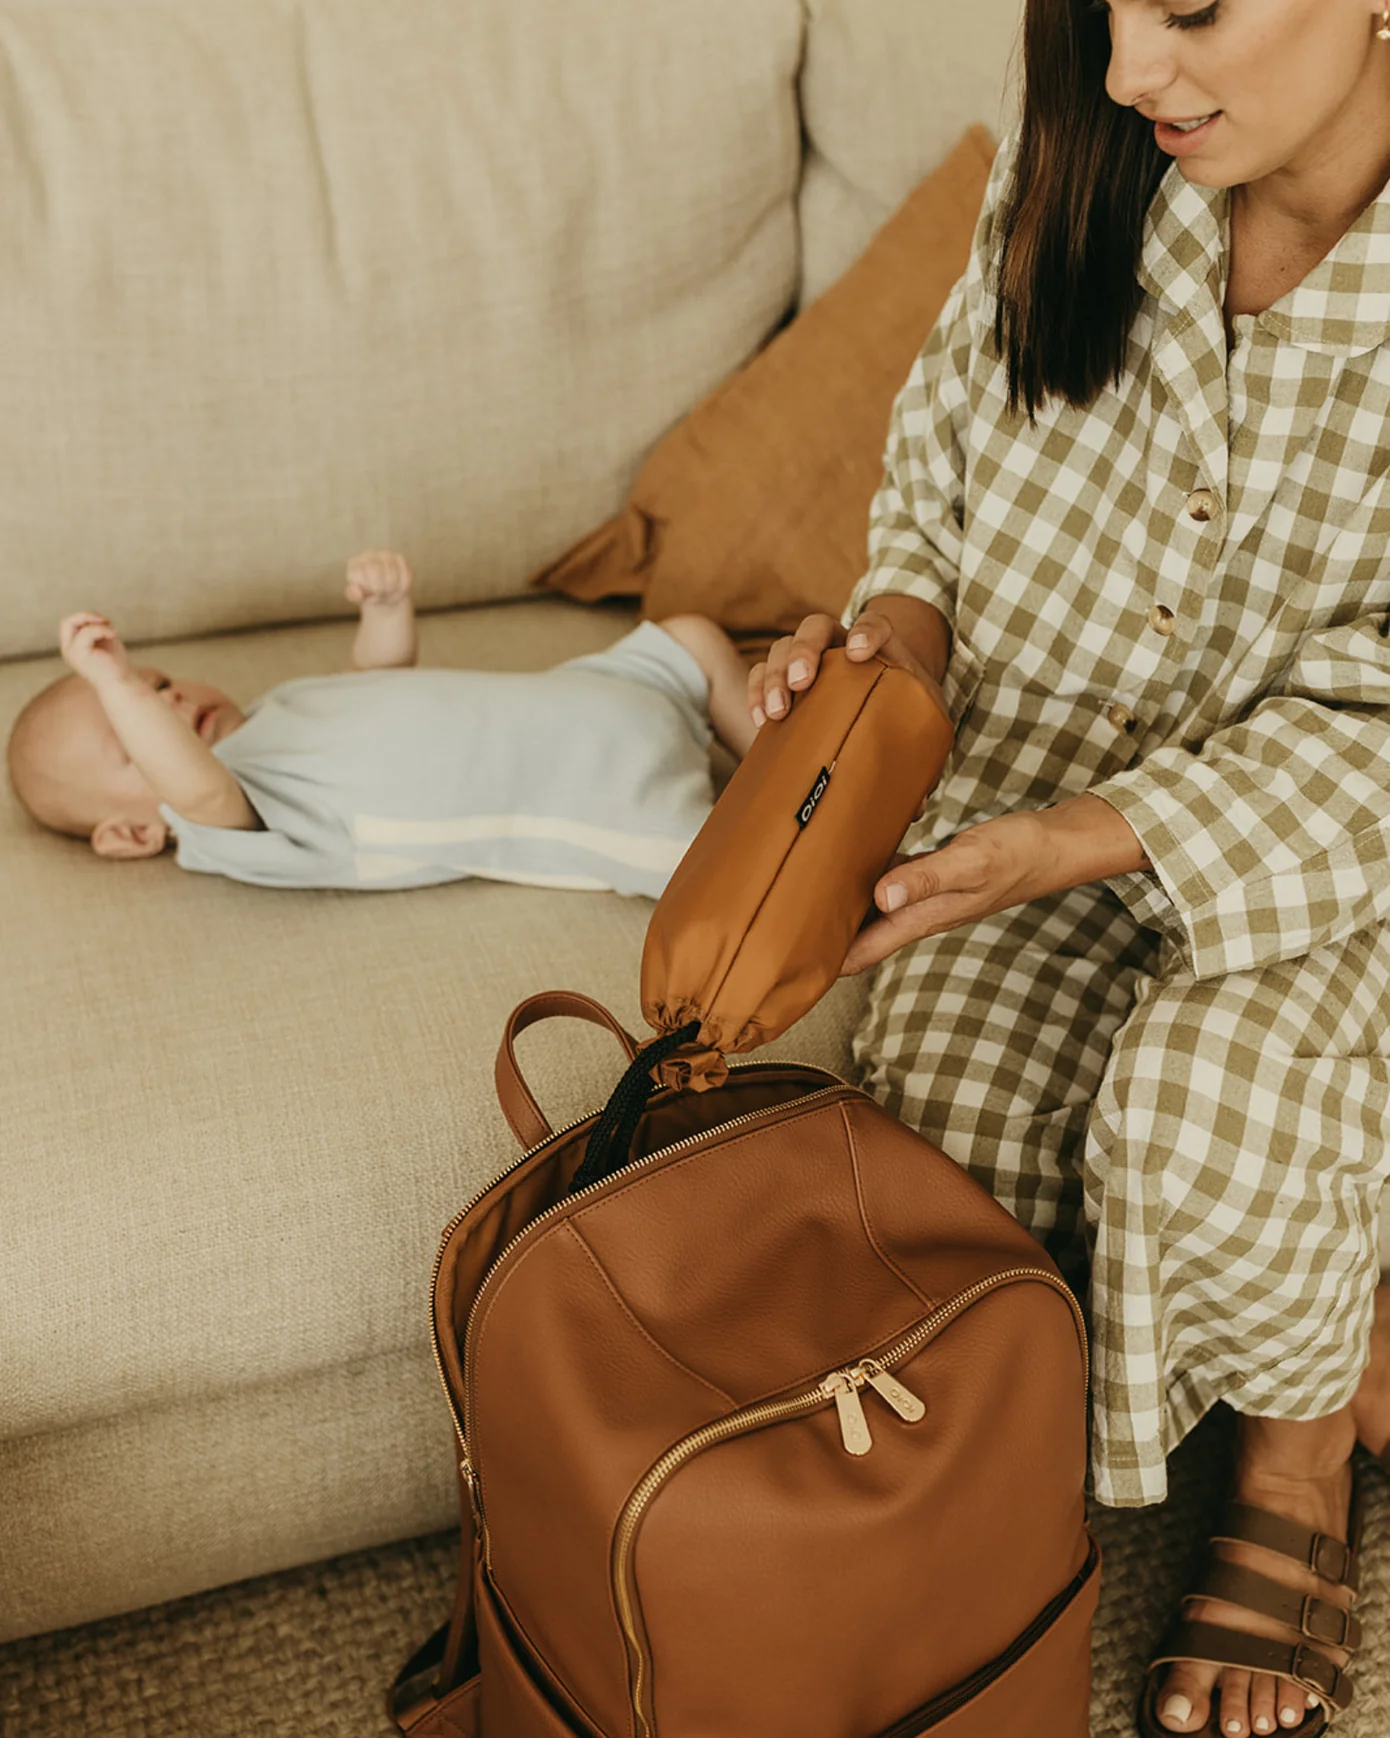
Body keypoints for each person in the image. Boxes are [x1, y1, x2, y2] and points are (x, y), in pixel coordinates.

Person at [750, 2, 1390, 1734]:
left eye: (1188, 10)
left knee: (1202, 1105)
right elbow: (937, 496)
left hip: (1344, 857)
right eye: (1099, 10)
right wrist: (886, 668)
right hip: (1031, 792)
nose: (1124, 73)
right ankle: (1326, 1279)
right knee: (935, 1117)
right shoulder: (1085, 164)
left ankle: (1300, 1462)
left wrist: (1093, 842)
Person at [5, 550, 756, 895]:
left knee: (689, 636)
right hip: (592, 798)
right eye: (130, 734)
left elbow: (378, 681)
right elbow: (195, 791)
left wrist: (386, 613)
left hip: (596, 693)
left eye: (158, 682)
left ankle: (777, 756)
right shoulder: (228, 824)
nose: (160, 701)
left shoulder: (279, 708)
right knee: (735, 874)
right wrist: (112, 680)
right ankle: (816, 831)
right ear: (133, 832)